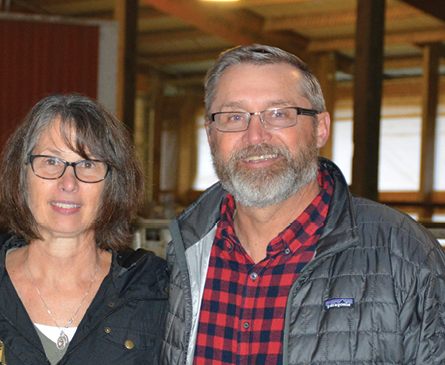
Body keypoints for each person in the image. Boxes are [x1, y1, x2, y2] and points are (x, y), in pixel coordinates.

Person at [160, 44, 445, 364]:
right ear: (211, 134)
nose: (255, 136)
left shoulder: (404, 253)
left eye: (279, 114)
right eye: (233, 116)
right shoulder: (183, 256)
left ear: (320, 128)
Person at [0, 93, 168, 364]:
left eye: (87, 164)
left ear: (113, 183)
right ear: (22, 174)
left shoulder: (153, 291)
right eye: (51, 161)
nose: (68, 182)